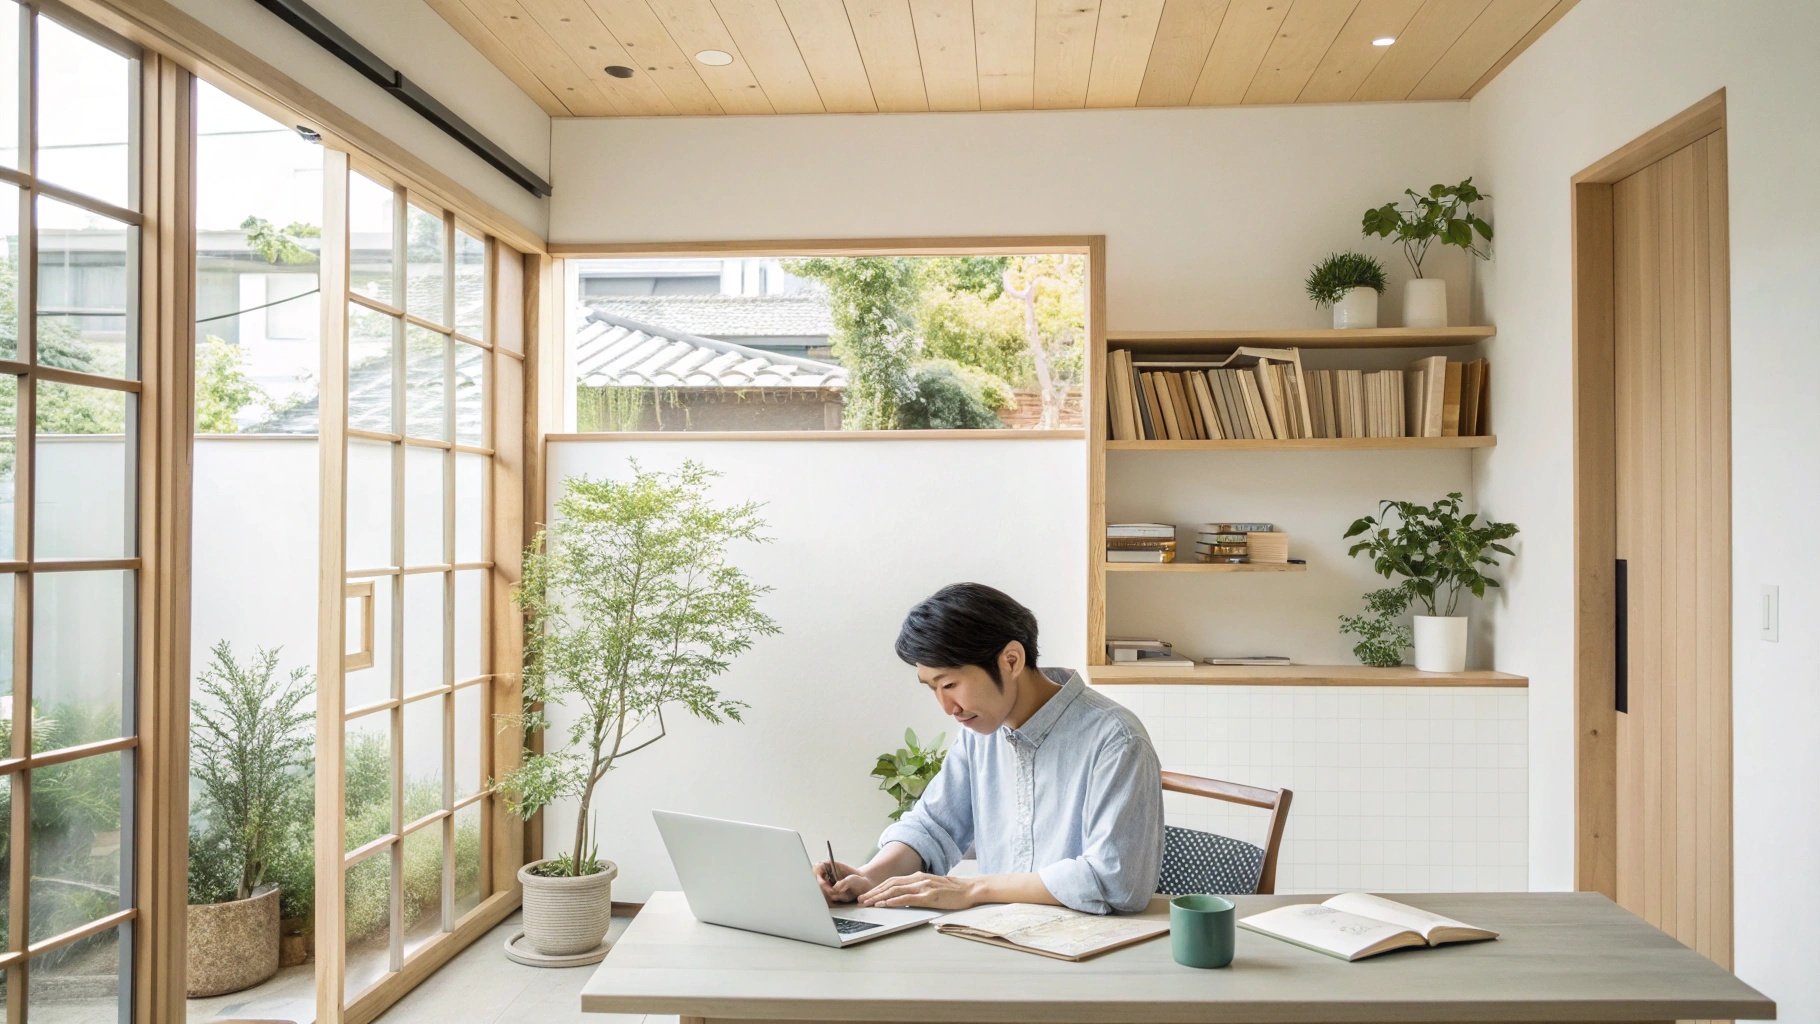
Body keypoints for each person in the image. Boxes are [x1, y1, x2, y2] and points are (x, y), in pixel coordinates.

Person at [815, 582, 1163, 915]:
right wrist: (871, 875)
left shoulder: (1116, 741)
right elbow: (932, 827)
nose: (947, 707)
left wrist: (972, 889)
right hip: (993, 940)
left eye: (950, 684)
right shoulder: (979, 733)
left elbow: (1117, 882)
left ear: (1011, 661)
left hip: (1086, 957)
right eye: (932, 688)